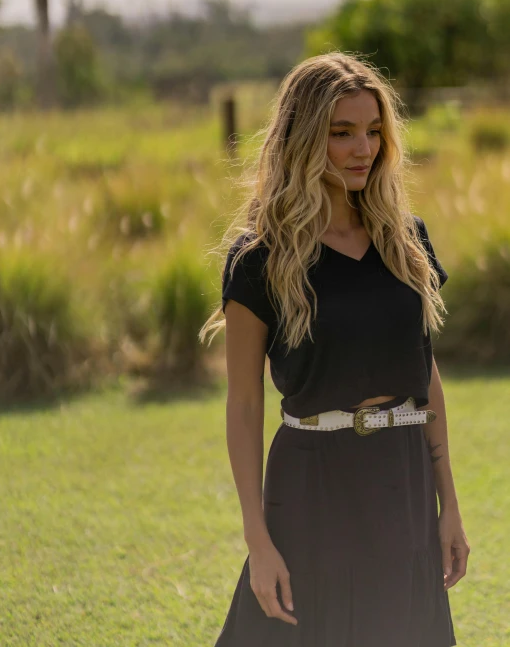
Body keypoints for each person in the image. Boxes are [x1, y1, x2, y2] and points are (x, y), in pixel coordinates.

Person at [200, 51, 469, 647]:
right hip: (310, 483)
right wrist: (257, 540)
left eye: (374, 131)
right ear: (302, 138)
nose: (363, 148)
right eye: (341, 133)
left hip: (401, 480)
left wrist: (448, 504)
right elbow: (243, 406)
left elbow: (425, 375)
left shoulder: (405, 241)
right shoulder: (260, 260)